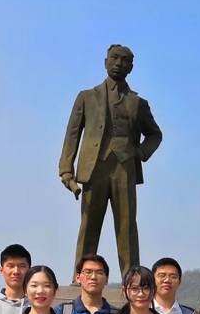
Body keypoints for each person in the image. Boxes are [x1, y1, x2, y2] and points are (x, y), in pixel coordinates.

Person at [59, 44, 164, 276]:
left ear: (131, 68)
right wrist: (66, 170)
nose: (118, 63)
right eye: (114, 58)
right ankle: (81, 275)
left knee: (127, 227)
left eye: (125, 60)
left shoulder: (138, 103)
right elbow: (72, 134)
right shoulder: (87, 97)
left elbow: (155, 134)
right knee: (89, 224)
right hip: (93, 169)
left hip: (124, 169)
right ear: (105, 62)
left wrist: (141, 152)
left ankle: (131, 278)